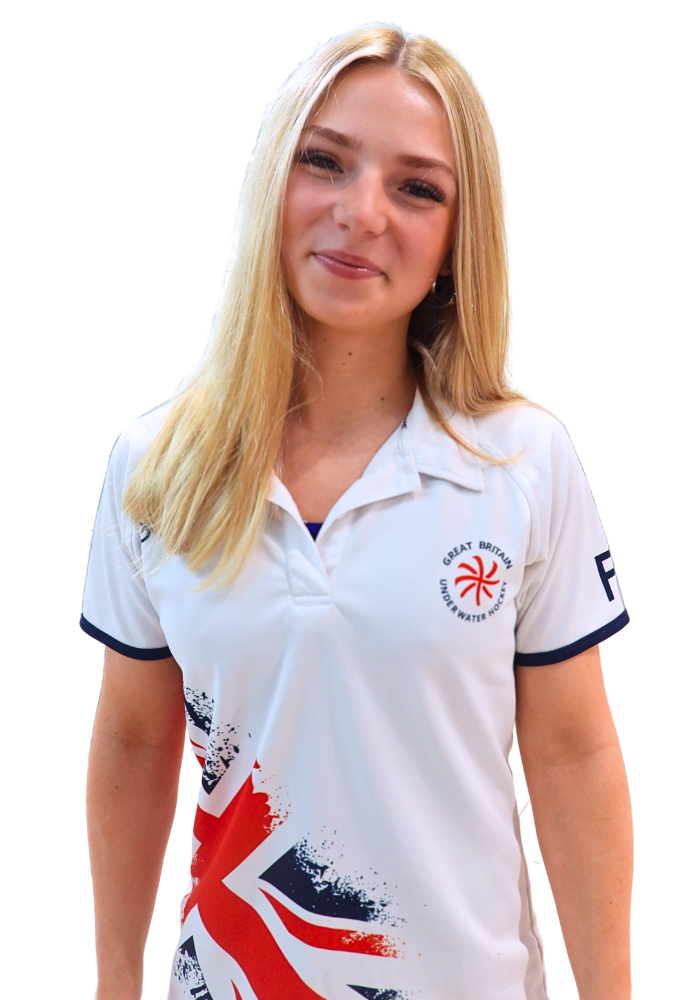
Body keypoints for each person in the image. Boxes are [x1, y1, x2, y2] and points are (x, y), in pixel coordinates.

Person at [83, 22, 634, 1000]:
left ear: (458, 243)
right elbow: (134, 738)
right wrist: (115, 981)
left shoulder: (522, 460)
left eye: (417, 187)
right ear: (270, 182)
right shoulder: (156, 465)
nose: (360, 212)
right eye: (325, 161)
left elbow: (571, 750)